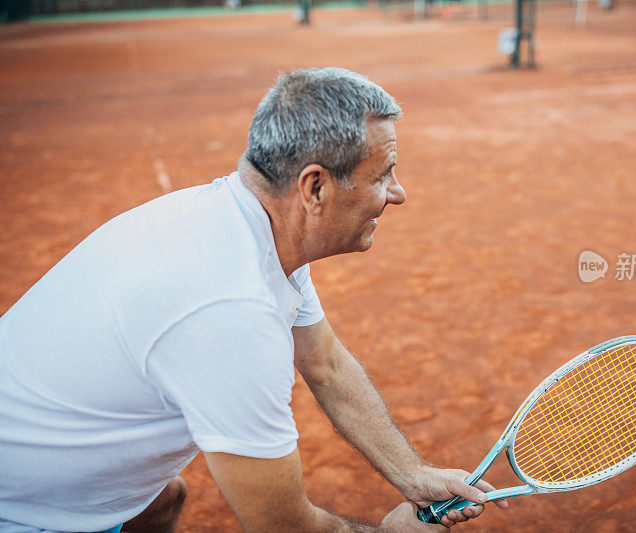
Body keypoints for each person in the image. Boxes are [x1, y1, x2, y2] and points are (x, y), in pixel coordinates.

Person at [0, 68, 507, 532]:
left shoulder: (249, 224)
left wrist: (412, 474)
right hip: (20, 510)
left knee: (161, 499)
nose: (397, 193)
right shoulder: (231, 310)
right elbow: (282, 527)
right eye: (382, 175)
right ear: (315, 188)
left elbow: (325, 363)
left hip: (30, 463)